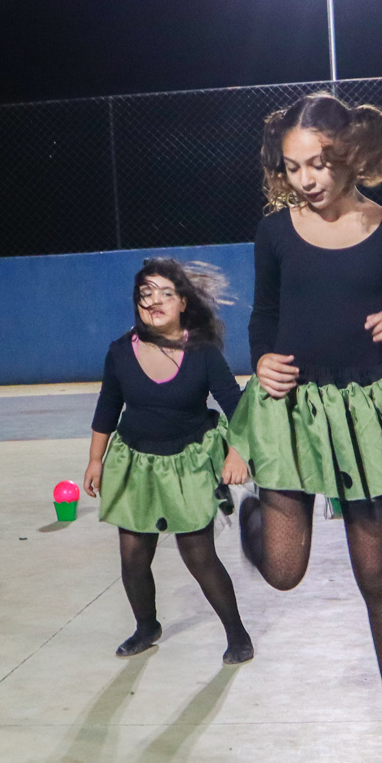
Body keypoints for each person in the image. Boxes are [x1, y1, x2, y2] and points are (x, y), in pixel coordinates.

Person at [229, 91, 382, 763]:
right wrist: (261, 357)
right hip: (292, 409)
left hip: (362, 412)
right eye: (294, 167)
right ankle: (257, 522)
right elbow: (264, 317)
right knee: (285, 572)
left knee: (376, 574)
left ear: (350, 155)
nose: (307, 179)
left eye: (319, 163)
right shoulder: (274, 234)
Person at [83, 258, 255, 665]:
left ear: (183, 303)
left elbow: (237, 406)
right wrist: (95, 459)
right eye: (145, 295)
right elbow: (107, 408)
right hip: (135, 462)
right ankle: (147, 626)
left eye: (164, 293)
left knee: (198, 554)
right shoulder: (120, 352)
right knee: (133, 556)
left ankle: (237, 633)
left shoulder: (203, 352)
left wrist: (238, 450)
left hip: (189, 461)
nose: (153, 301)